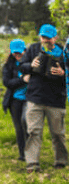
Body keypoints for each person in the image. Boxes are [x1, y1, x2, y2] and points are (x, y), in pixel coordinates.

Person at [19, 23, 67, 173]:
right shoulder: (33, 49)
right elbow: (21, 66)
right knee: (34, 131)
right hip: (35, 98)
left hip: (56, 100)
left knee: (58, 133)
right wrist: (30, 65)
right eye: (43, 37)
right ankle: (32, 164)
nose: (45, 40)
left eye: (48, 38)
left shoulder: (64, 52)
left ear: (55, 37)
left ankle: (61, 161)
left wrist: (63, 73)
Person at [2, 38, 29, 162]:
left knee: (27, 123)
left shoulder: (32, 62)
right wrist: (22, 80)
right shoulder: (9, 65)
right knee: (19, 128)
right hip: (15, 100)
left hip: (30, 99)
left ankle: (31, 153)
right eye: (15, 52)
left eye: (20, 52)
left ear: (25, 50)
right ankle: (23, 154)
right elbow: (7, 82)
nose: (17, 55)